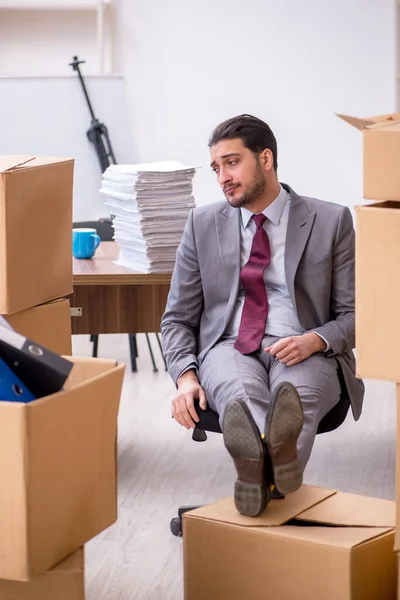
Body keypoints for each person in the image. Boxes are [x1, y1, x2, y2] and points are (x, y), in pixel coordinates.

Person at [161, 114, 364, 517]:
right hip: (229, 346)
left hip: (305, 348)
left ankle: (256, 482)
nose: (222, 177)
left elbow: (356, 314)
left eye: (232, 162)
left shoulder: (330, 220)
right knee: (241, 400)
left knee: (295, 402)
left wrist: (316, 340)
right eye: (216, 168)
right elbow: (177, 319)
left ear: (266, 158)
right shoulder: (202, 224)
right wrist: (185, 376)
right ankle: (272, 478)